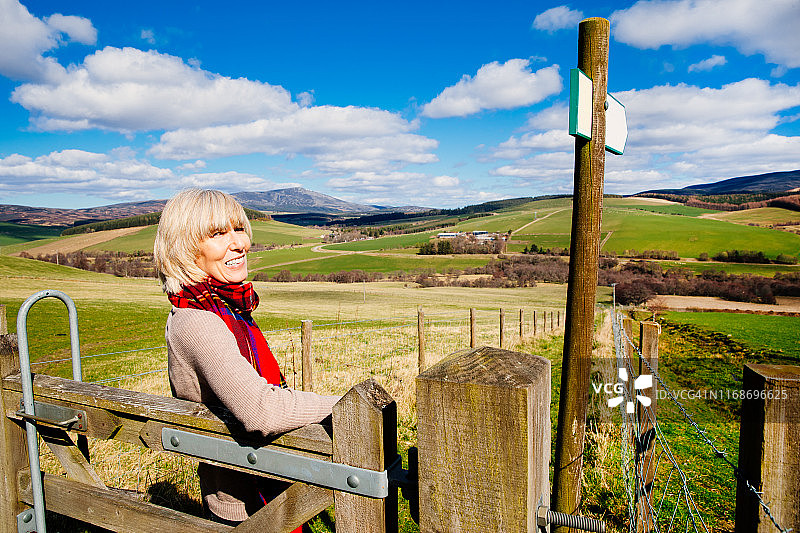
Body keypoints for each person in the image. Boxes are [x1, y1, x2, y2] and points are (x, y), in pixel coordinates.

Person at [154, 188, 338, 527]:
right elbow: (261, 412)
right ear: (185, 247)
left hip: (266, 482)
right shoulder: (197, 320)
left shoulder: (225, 307)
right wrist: (346, 405)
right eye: (218, 234)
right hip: (245, 506)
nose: (239, 243)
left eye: (239, 229)